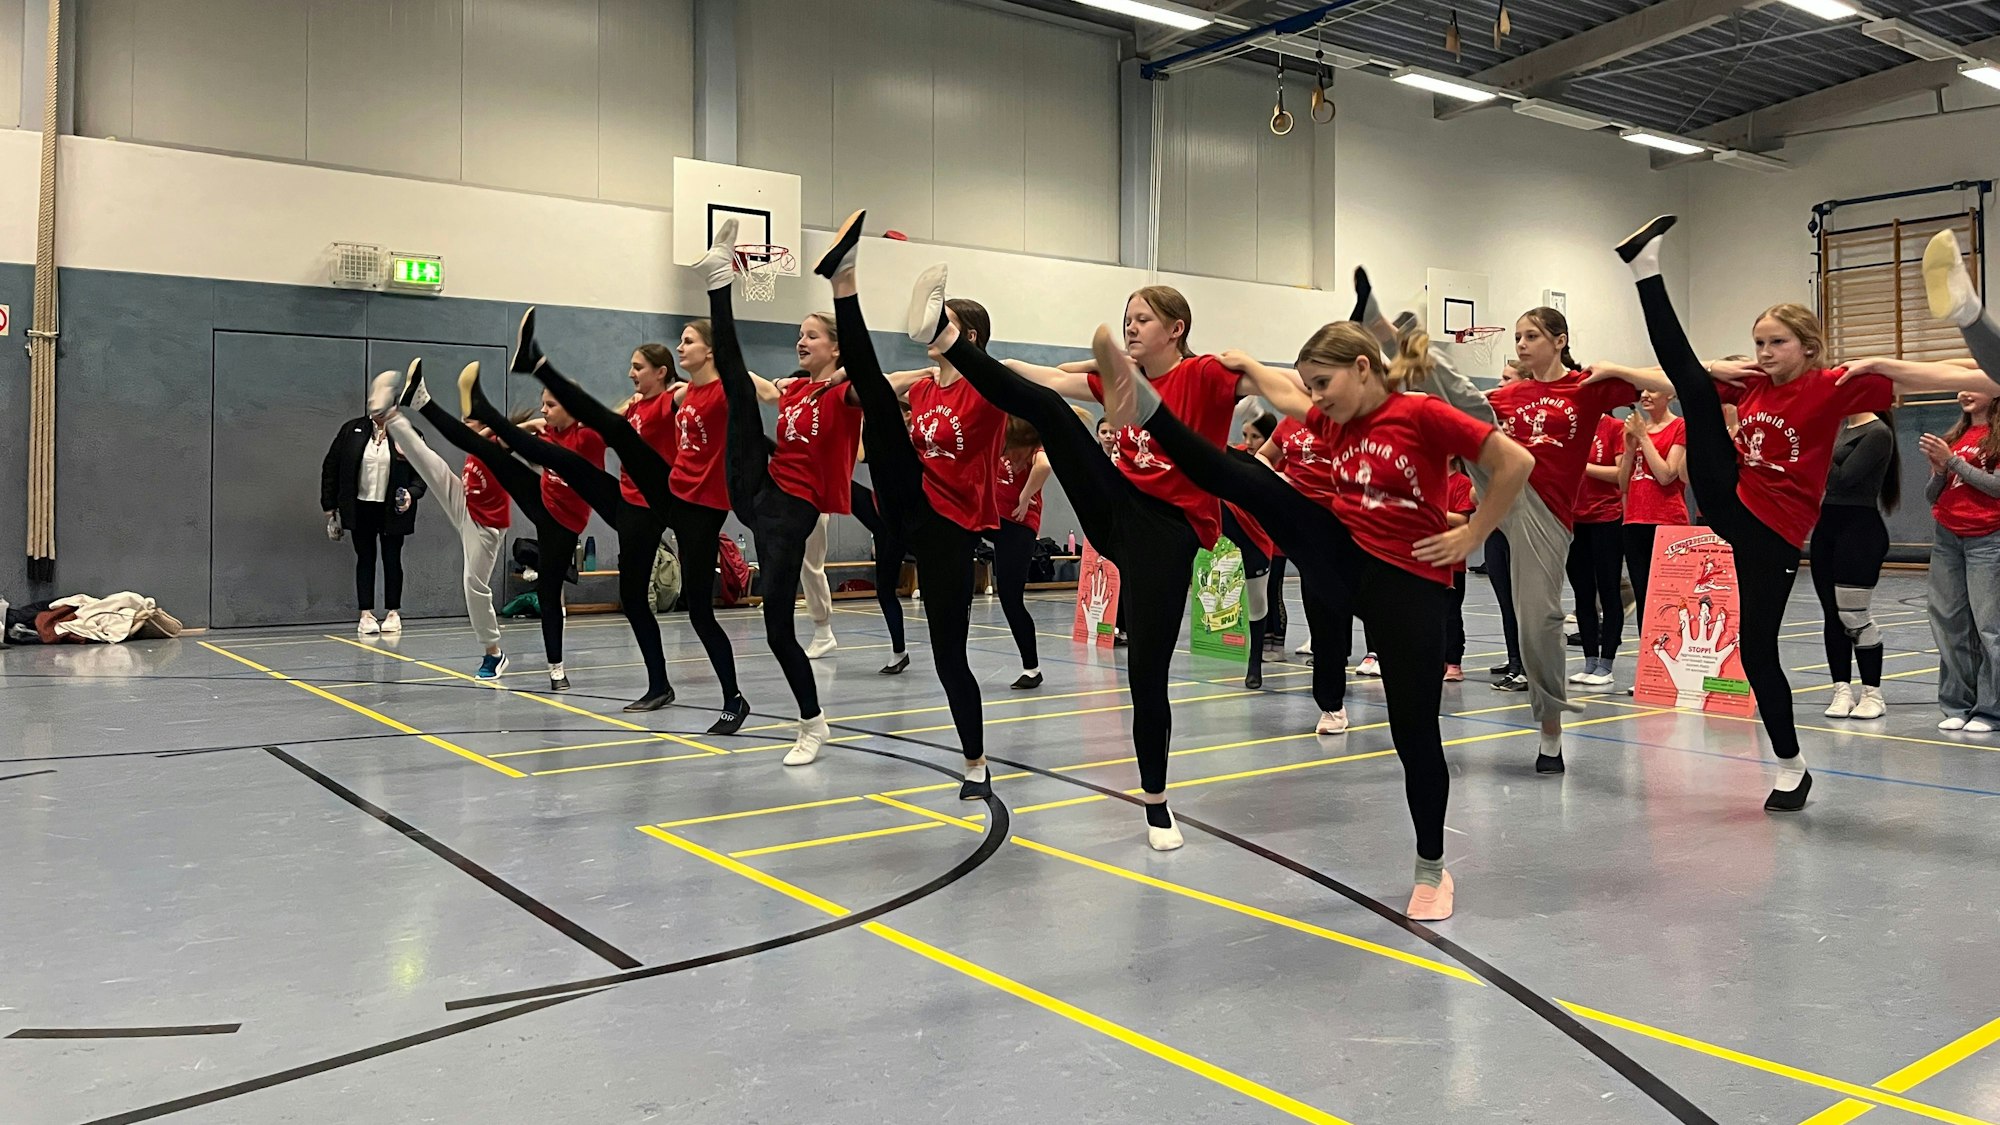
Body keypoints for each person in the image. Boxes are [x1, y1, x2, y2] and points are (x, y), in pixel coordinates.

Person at [1097, 317, 1532, 921]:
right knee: (1252, 479)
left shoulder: (1421, 415)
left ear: (1361, 368)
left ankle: (1432, 868)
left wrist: (1476, 533)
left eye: (1323, 382)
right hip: (1345, 559)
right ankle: (1151, 413)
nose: (1317, 396)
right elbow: (1282, 397)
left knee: (1415, 736)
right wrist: (1249, 364)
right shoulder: (1332, 420)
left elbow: (1514, 461)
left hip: (1409, 586)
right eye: (1311, 385)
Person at [1611, 213, 2000, 809]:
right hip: (1731, 500)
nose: (1764, 353)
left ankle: (1790, 768)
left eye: (1777, 343)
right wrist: (1680, 371)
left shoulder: (1833, 385)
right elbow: (1670, 379)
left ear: (1809, 348)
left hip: (1773, 531)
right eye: (1759, 341)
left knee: (1756, 650)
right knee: (1691, 385)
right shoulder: (1751, 386)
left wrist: (1974, 365)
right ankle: (1645, 269)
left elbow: (1931, 375)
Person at [904, 269, 1257, 849]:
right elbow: (1041, 379)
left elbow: (1281, 381)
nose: (1130, 327)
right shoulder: (1122, 380)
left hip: (1167, 535)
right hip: (1115, 510)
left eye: (1141, 319)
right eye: (1125, 320)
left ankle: (1157, 803)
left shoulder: (1205, 374)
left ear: (1176, 328)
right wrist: (971, 356)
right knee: (1048, 408)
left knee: (1147, 676)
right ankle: (945, 337)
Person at [1351, 270, 1671, 774]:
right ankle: (1395, 338)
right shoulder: (1507, 397)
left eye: (1532, 336)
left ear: (1560, 341)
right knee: (1471, 406)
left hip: (1545, 511)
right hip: (1499, 489)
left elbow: (1674, 384)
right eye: (1518, 336)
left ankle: (1550, 728)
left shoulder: (1586, 387)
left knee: (1537, 620)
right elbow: (1459, 409)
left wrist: (1616, 367)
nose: (1521, 344)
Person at [815, 211, 1009, 796]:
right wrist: (879, 381)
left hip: (951, 524)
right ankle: (843, 280)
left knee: (950, 656)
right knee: (875, 396)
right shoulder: (921, 388)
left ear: (965, 338)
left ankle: (975, 763)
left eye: (941, 323)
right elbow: (866, 390)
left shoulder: (989, 387)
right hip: (908, 498)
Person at [509, 322, 754, 728]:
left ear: (661, 371)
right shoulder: (634, 406)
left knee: (699, 612)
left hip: (674, 498)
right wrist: (540, 426)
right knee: (633, 598)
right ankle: (659, 684)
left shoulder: (675, 396)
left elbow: (709, 394)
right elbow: (602, 419)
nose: (631, 373)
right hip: (634, 504)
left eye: (638, 366)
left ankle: (733, 696)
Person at [692, 221, 865, 764]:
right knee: (738, 389)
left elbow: (888, 385)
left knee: (775, 631)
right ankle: (720, 280)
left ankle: (813, 725)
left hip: (794, 511)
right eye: (800, 333)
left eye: (812, 335)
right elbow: (751, 386)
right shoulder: (794, 390)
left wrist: (848, 375)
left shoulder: (843, 394)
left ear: (836, 349)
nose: (800, 340)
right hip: (761, 493)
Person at [407, 366, 605, 692]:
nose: (544, 409)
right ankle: (422, 401)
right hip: (541, 503)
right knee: (488, 450)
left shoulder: (588, 436)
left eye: (551, 405)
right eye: (543, 403)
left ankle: (557, 670)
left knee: (548, 593)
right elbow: (481, 442)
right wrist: (527, 426)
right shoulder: (546, 430)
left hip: (564, 525)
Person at [369, 362, 511, 677]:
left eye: (469, 421)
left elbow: (512, 433)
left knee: (473, 585)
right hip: (466, 502)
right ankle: (392, 416)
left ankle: (494, 653)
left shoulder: (498, 445)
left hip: (485, 527)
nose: (462, 425)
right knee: (430, 464)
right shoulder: (475, 443)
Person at [1256, 413, 1354, 733]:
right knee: (1320, 613)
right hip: (1302, 526)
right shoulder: (1289, 422)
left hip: (1346, 527)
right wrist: (1279, 482)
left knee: (1351, 608)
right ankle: (1331, 705)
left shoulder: (1347, 419)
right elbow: (1263, 456)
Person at [1812, 407, 1899, 721]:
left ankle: (1872, 693)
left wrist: (1814, 449)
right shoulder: (1838, 429)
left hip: (1859, 531)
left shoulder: (1877, 433)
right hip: (1827, 528)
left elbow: (1843, 479)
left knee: (1854, 615)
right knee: (1832, 615)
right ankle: (1841, 689)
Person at [1924, 386, 2000, 733]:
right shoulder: (1957, 435)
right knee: (1949, 621)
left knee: (1989, 626)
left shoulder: (1994, 437)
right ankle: (1957, 703)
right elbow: (1931, 494)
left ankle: (1991, 709)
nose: (1963, 392)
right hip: (1948, 537)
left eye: (1974, 385)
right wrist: (1941, 471)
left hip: (1988, 537)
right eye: (1961, 387)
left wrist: (1953, 461)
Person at [321, 407, 424, 635]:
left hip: (393, 508)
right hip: (361, 507)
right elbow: (332, 467)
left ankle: (393, 613)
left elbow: (423, 472)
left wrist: (411, 494)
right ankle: (365, 614)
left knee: (392, 559)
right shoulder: (352, 430)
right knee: (365, 558)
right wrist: (330, 510)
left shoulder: (409, 434)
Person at [1616, 389, 1687, 667]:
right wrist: (1631, 446)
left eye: (1652, 389)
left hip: (1666, 520)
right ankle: (1651, 666)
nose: (1645, 394)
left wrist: (1644, 438)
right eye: (1642, 390)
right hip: (1634, 520)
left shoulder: (1679, 426)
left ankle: (1676, 661)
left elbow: (1667, 474)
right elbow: (1623, 484)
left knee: (1669, 599)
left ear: (1670, 395)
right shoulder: (1635, 429)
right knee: (1644, 598)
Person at [1566, 412, 1628, 688]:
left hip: (1606, 519)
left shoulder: (1614, 427)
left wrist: (1582, 466)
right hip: (1573, 520)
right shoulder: (1571, 427)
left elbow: (1619, 474)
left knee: (1609, 590)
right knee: (1582, 593)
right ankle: (1589, 659)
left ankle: (1607, 663)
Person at [992, 414, 1053, 689]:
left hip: (1018, 523)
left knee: (1010, 598)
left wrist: (1026, 495)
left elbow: (1044, 466)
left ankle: (1032, 668)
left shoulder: (1034, 446)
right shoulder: (1001, 436)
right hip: (991, 518)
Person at [1445, 460, 1476, 681]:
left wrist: (1432, 510)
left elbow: (1461, 520)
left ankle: (1454, 662)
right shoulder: (1425, 479)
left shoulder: (1461, 482)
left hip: (1452, 558)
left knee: (1451, 613)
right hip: (1426, 557)